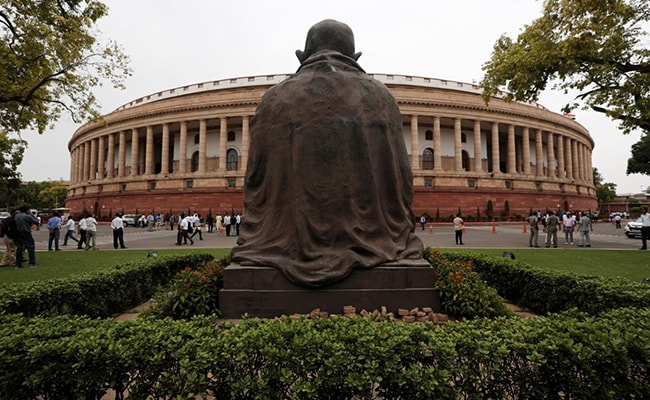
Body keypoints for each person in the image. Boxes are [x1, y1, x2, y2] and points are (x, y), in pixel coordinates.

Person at [231, 19, 423, 287]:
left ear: (302, 56)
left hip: (280, 243)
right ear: (355, 57)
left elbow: (255, 179)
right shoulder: (382, 97)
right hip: (379, 242)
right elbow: (402, 180)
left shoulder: (273, 99)